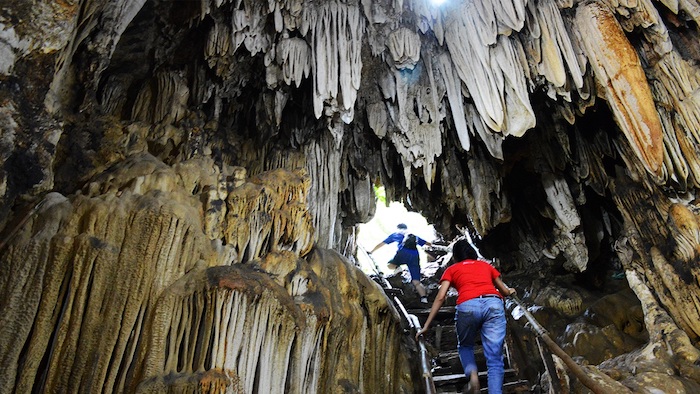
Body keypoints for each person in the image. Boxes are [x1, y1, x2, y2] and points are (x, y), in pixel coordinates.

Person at [415, 239, 516, 394]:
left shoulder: (452, 269)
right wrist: (510, 292)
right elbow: (503, 290)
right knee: (495, 359)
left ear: (455, 257)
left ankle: (473, 376)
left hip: (468, 305)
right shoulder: (485, 265)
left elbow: (441, 297)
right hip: (493, 303)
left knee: (465, 346)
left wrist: (426, 326)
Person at [368, 223, 432, 303]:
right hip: (414, 256)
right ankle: (424, 298)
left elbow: (382, 243)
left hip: (402, 254)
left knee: (390, 265)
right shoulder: (413, 236)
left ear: (398, 228)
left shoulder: (396, 234)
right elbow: (428, 244)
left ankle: (398, 268)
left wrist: (371, 251)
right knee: (416, 281)